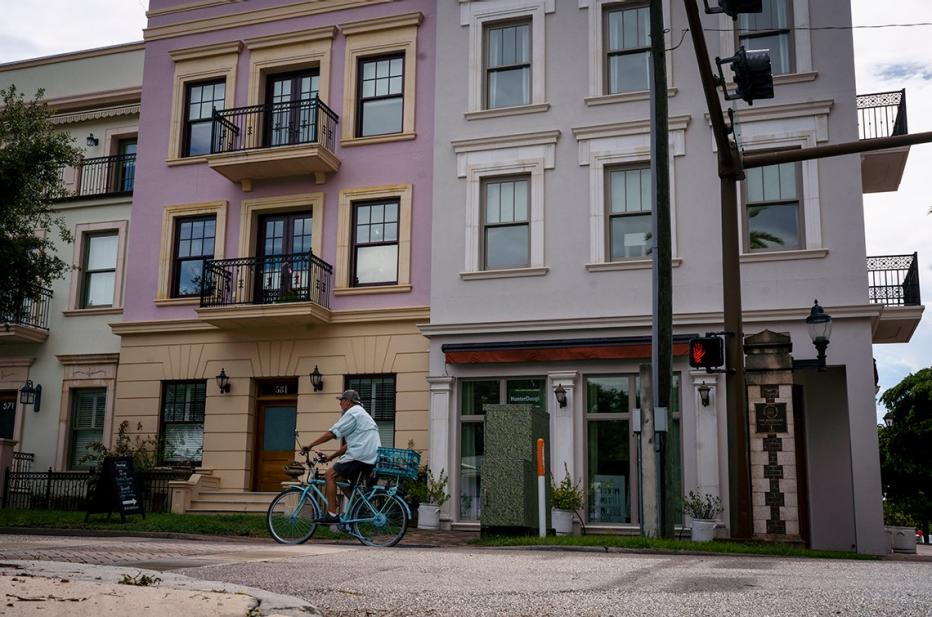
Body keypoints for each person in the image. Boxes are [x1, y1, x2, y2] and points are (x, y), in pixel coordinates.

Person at [300, 389, 380, 524]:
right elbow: (350, 444)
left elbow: (332, 433)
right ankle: (358, 507)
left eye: (341, 401)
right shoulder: (363, 414)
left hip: (360, 455)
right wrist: (331, 457)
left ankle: (331, 514)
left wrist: (311, 445)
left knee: (329, 475)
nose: (340, 404)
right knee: (340, 477)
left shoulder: (353, 413)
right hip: (369, 456)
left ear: (348, 402)